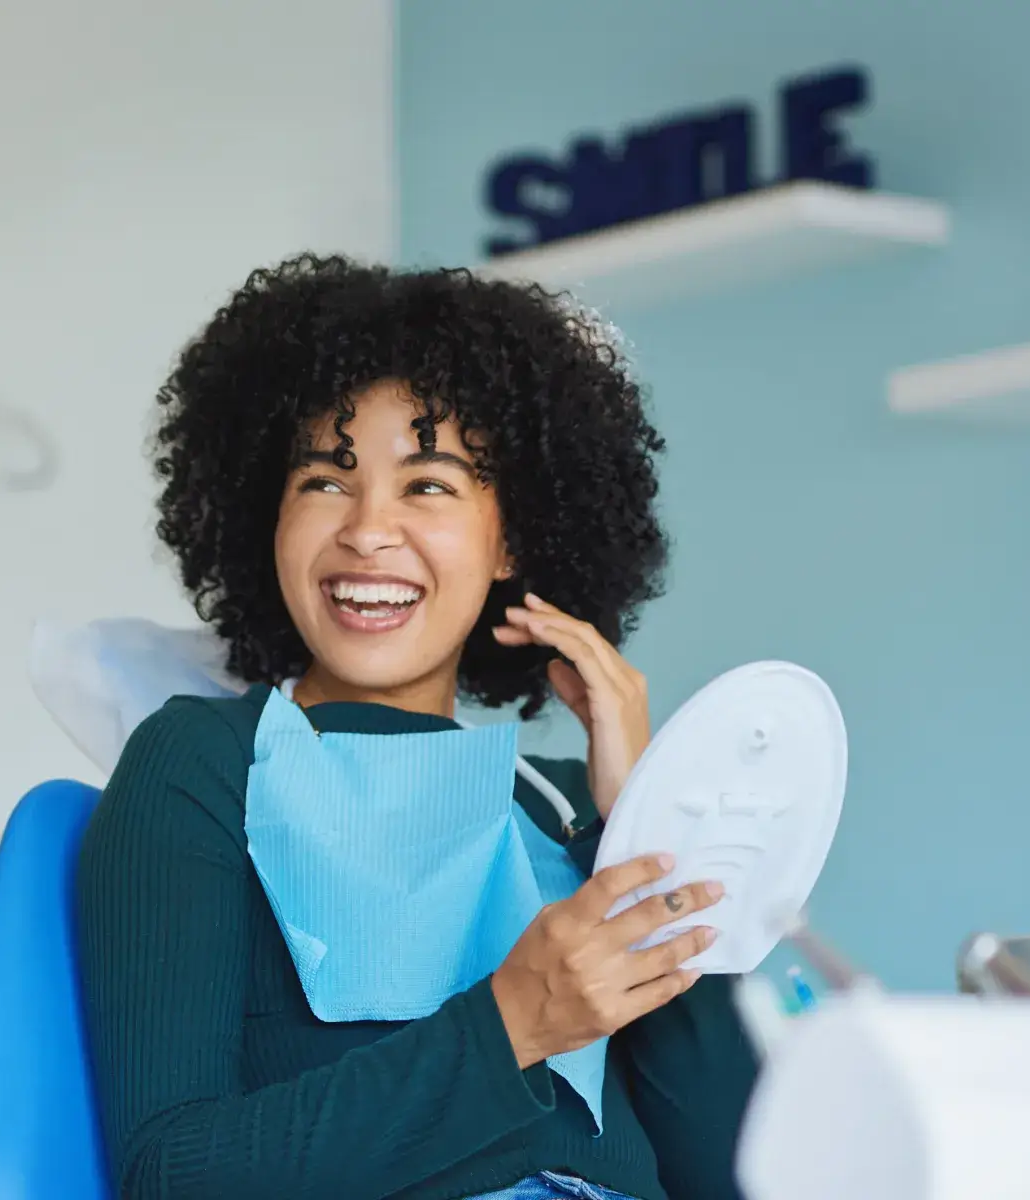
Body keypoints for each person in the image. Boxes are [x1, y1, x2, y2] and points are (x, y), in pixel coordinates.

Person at [75, 254, 758, 1200]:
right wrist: (513, 1025)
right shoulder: (203, 764)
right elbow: (169, 1176)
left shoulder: (564, 810)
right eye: (325, 479)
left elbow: (738, 1175)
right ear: (265, 515)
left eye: (429, 485)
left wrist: (647, 823)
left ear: (509, 537)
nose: (367, 530)